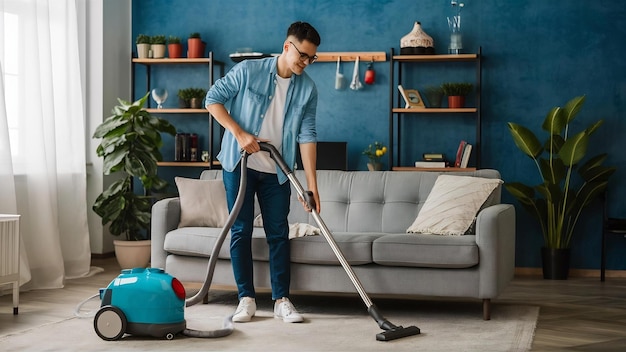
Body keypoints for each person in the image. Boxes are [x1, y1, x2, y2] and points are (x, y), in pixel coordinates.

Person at [204, 21, 321, 323]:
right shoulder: (248, 71)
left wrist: (311, 185)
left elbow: (307, 135)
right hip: (239, 165)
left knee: (278, 233)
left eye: (312, 58)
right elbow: (212, 99)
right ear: (287, 46)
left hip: (277, 170)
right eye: (303, 56)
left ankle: (282, 300)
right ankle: (246, 299)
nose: (306, 63)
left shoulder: (307, 88)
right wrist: (240, 133)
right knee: (240, 231)